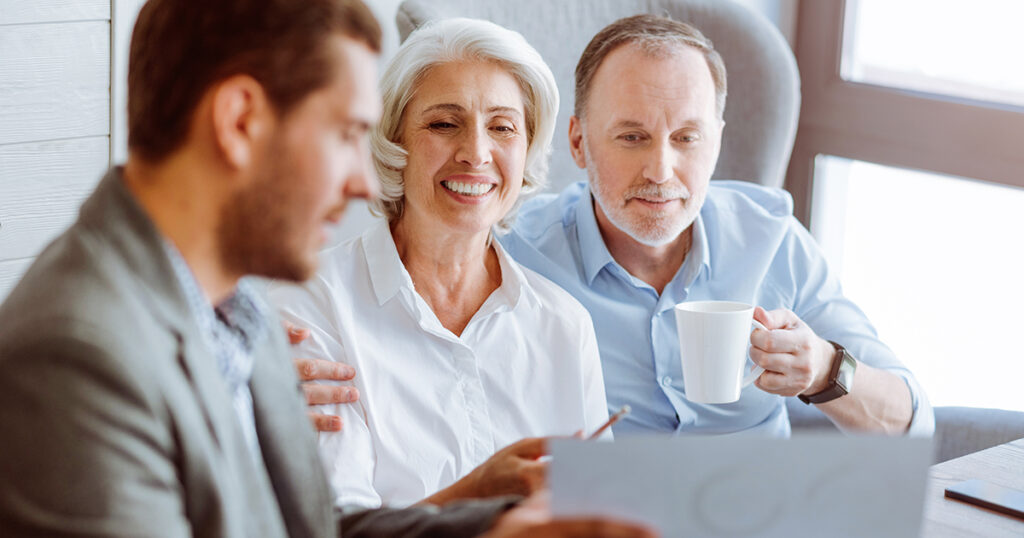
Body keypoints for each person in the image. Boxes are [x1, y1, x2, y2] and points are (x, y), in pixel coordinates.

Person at [0, 1, 653, 537]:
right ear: (240, 122)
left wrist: (500, 524)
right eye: (345, 134)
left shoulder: (235, 313)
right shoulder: (79, 356)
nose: (363, 180)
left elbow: (322, 530)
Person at [300, 15, 933, 439]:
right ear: (577, 141)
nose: (662, 171)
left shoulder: (772, 240)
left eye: (687, 138)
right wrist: (272, 370)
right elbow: (394, 304)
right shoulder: (511, 247)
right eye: (630, 137)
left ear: (718, 140)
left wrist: (826, 370)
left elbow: (915, 421)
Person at [268, 17, 610, 510]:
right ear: (395, 140)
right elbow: (336, 525)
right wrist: (477, 496)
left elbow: (596, 514)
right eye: (444, 124)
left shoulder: (564, 325)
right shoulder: (313, 304)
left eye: (502, 127)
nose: (476, 152)